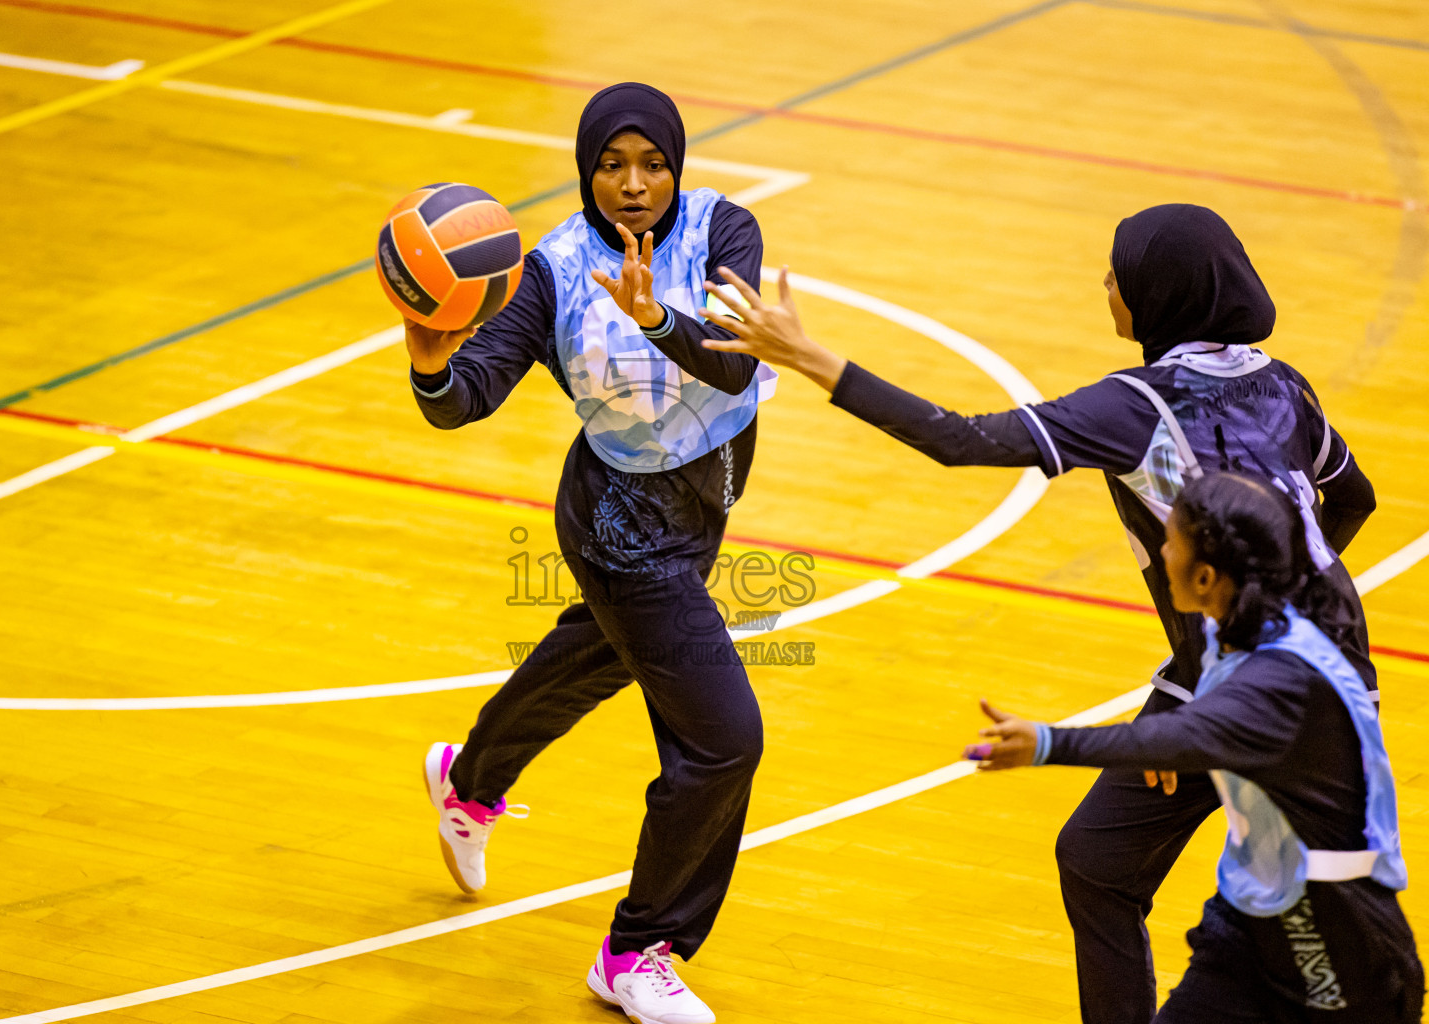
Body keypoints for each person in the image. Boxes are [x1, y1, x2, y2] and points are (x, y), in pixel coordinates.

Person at [695, 204, 1379, 1023]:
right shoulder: (1282, 384)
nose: (1105, 284)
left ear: (1160, 296)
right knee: (1099, 859)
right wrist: (1229, 656)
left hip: (1286, 705)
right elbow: (1355, 498)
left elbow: (960, 439)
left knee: (1311, 949)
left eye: (1117, 275)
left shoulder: (1135, 409)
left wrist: (811, 358)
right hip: (1297, 667)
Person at [405, 81, 777, 1024]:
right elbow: (468, 395)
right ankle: (639, 949)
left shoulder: (726, 231)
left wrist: (658, 318)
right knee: (724, 738)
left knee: (599, 653)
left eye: (651, 163)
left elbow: (735, 362)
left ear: (677, 165)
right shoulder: (552, 272)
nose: (633, 183)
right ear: (585, 173)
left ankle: (469, 779)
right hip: (617, 523)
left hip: (706, 498)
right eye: (611, 165)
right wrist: (429, 359)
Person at [963, 472, 1421, 1022]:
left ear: (1205, 576)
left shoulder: (1284, 678)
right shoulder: (1238, 629)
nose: (1160, 550)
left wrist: (1045, 742)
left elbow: (1191, 732)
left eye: (1171, 542)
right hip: (1248, 928)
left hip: (1337, 947)